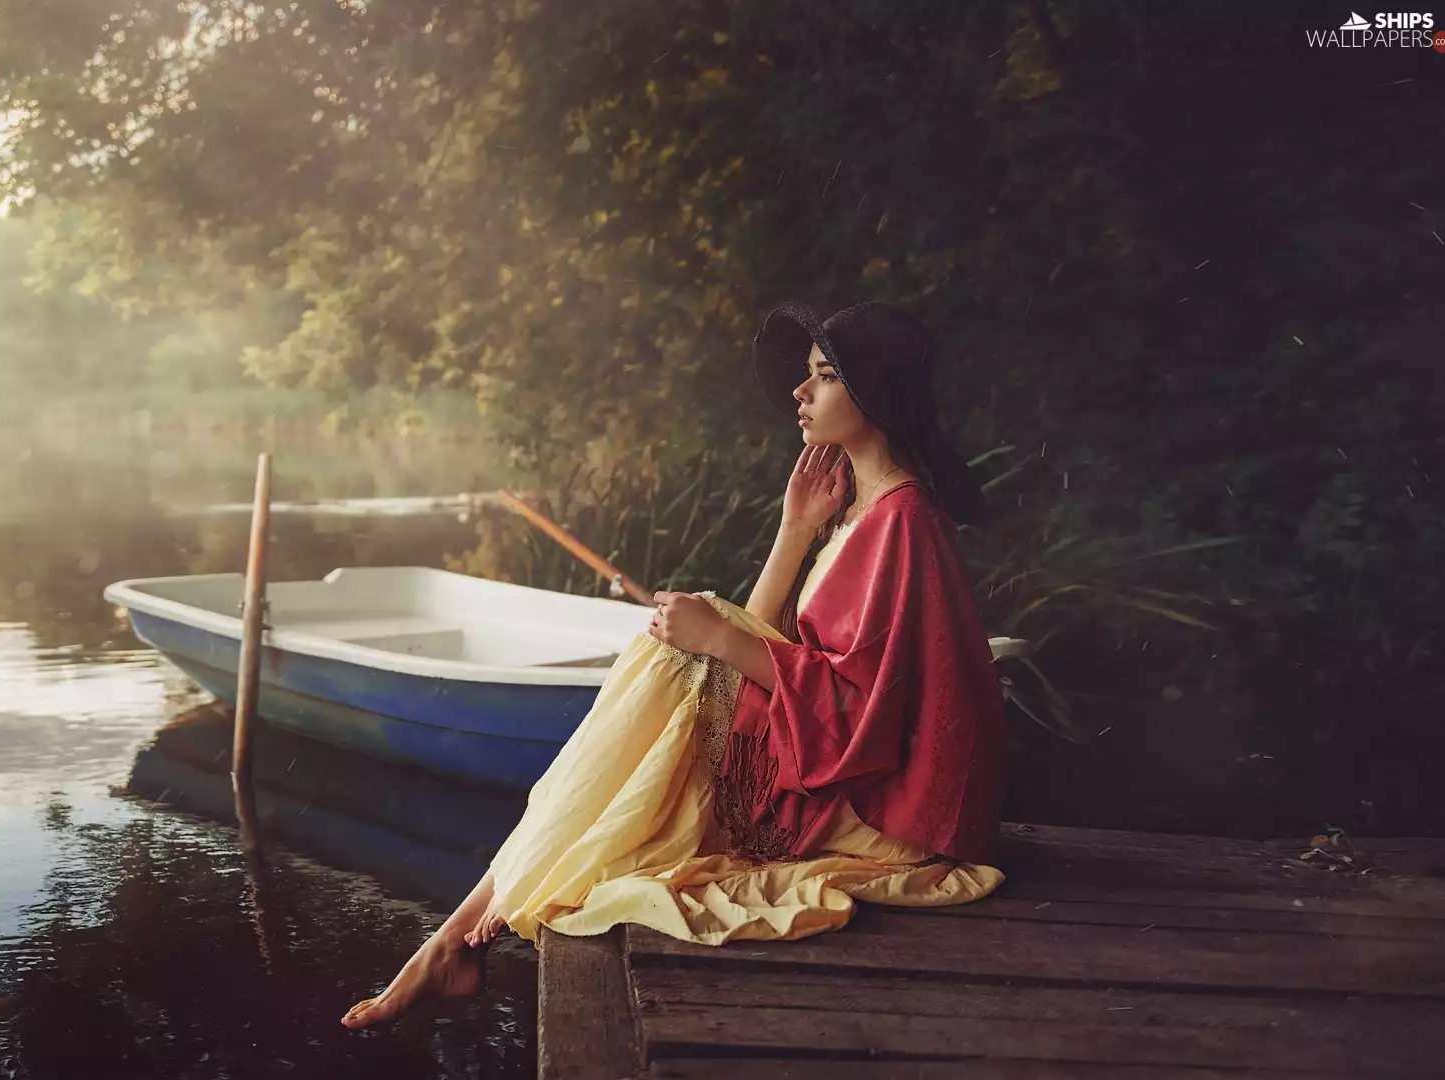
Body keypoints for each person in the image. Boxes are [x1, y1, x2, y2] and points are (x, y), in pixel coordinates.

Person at [341, 300, 1009, 1030]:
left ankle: (456, 937)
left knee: (684, 647)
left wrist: (717, 639)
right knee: (687, 641)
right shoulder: (855, 509)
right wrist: (794, 531)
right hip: (834, 764)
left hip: (880, 808)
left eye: (823, 377)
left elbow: (863, 714)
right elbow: (770, 636)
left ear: (875, 395)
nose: (799, 393)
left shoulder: (902, 523)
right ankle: (459, 936)